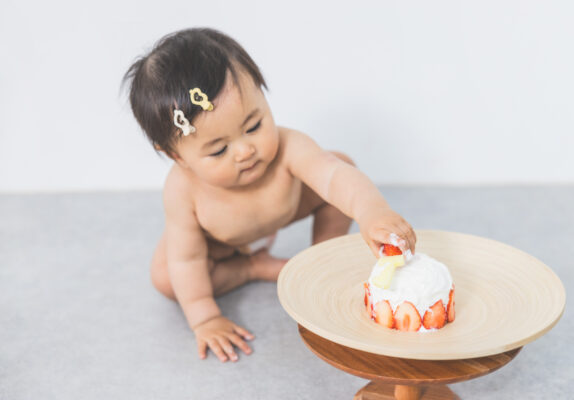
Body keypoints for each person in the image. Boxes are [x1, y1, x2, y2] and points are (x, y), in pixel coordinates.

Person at [123, 27, 416, 363]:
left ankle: (319, 261)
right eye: (218, 150)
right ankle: (251, 268)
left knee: (341, 164)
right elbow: (186, 260)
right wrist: (206, 318)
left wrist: (371, 211)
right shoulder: (183, 191)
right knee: (166, 276)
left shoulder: (289, 147)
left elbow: (335, 177)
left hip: (284, 206)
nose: (246, 150)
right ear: (178, 157)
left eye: (253, 126)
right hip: (216, 244)